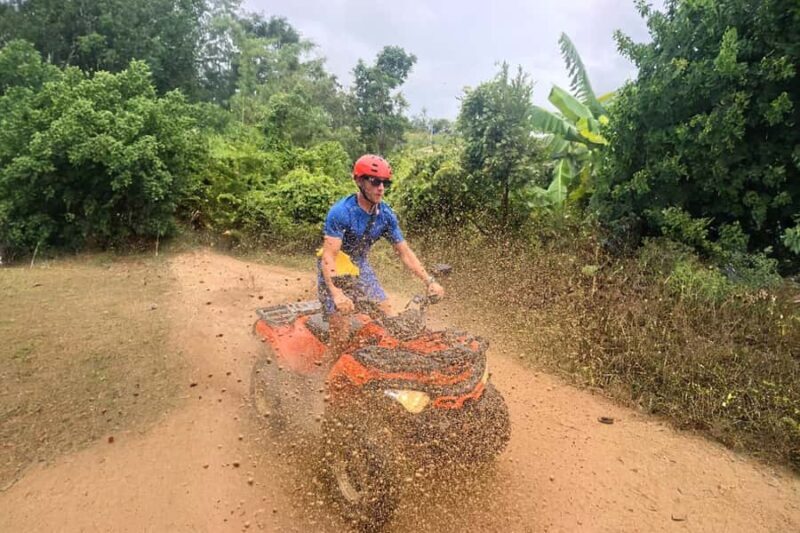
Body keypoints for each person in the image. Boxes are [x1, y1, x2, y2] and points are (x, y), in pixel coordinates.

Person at [318, 154, 445, 354]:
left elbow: (405, 252)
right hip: (336, 268)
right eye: (375, 181)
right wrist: (337, 294)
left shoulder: (386, 215)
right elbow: (328, 257)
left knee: (388, 315)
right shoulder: (341, 212)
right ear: (360, 181)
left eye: (385, 183)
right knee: (340, 335)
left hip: (360, 266)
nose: (381, 188)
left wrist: (429, 281)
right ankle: (326, 369)